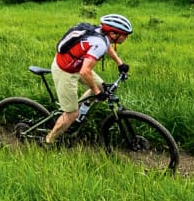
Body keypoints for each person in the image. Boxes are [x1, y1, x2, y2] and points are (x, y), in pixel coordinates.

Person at [45, 14, 132, 145]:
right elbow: (85, 72)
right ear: (114, 34)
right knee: (71, 113)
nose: (126, 37)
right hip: (65, 71)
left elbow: (107, 46)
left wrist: (120, 63)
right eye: (124, 35)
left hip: (77, 65)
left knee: (103, 88)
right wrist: (96, 92)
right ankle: (48, 141)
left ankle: (78, 112)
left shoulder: (102, 34)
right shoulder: (99, 43)